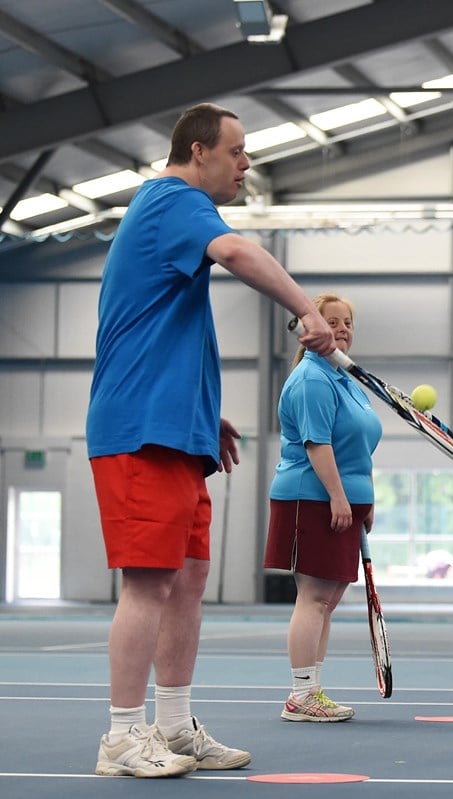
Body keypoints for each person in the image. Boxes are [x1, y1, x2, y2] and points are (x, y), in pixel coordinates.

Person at [87, 103, 335, 778]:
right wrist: (307, 308)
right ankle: (120, 736)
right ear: (199, 152)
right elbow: (236, 250)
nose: (245, 163)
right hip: (138, 430)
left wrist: (203, 414)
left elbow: (160, 328)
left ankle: (172, 725)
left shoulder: (172, 212)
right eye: (237, 151)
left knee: (189, 580)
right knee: (148, 584)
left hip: (176, 431)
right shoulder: (171, 200)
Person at [264, 293, 382, 722]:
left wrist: (363, 497)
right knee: (314, 598)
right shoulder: (313, 379)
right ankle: (301, 695)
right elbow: (318, 443)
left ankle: (312, 690)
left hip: (343, 499)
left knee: (326, 601)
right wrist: (338, 495)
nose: (342, 328)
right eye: (331, 321)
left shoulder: (347, 379)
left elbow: (359, 447)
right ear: (308, 328)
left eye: (347, 321)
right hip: (310, 497)